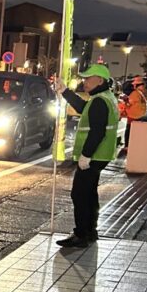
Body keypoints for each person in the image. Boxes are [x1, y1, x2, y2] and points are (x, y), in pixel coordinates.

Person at [53, 63, 119, 249]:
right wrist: (65, 91)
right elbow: (83, 108)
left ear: (100, 80)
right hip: (101, 155)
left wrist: (86, 156)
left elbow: (97, 132)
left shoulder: (100, 101)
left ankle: (81, 234)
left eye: (88, 79)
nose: (85, 82)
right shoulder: (104, 98)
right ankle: (90, 231)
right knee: (89, 194)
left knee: (80, 194)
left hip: (94, 156)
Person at [121, 75, 147, 153]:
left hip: (133, 115)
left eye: (134, 84)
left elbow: (129, 104)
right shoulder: (141, 93)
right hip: (140, 115)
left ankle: (127, 146)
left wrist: (125, 101)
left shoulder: (135, 93)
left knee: (129, 131)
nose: (133, 85)